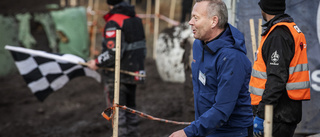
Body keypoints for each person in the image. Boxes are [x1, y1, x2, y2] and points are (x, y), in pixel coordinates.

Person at [169, 0, 253, 136]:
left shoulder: (232, 58)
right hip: (206, 128)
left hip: (231, 133)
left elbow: (222, 109)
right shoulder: (198, 45)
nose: (190, 22)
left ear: (214, 21)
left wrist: (188, 132)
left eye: (196, 18)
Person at [249, 0, 311, 136]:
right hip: (282, 113)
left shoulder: (278, 35)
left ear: (265, 8)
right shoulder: (289, 29)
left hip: (276, 116)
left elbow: (276, 80)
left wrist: (262, 115)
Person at [87, 0, 146, 136]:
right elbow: (142, 47)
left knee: (118, 116)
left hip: (117, 75)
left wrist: (97, 62)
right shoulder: (136, 19)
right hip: (135, 72)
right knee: (131, 112)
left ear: (110, 4)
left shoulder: (114, 22)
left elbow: (113, 52)